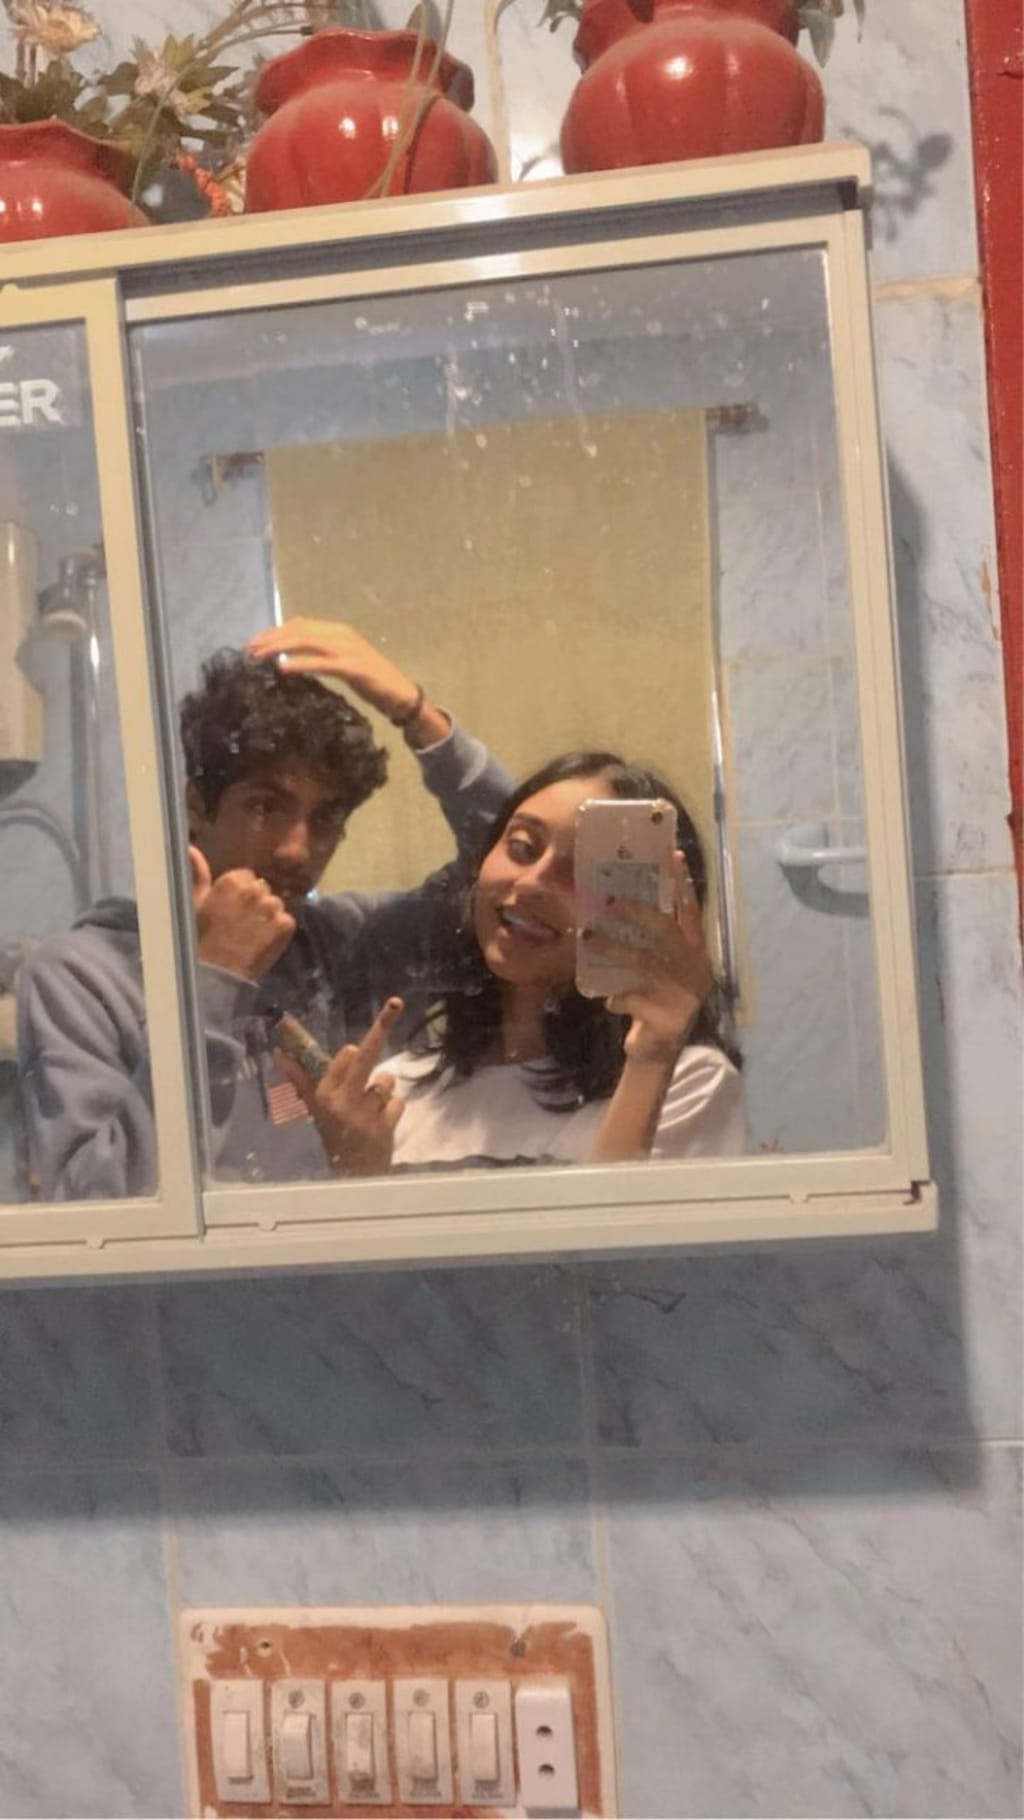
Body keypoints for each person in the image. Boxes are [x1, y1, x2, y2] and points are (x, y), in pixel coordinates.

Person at [17, 619, 512, 1198]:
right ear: (196, 807)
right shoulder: (84, 977)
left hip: (346, 1251)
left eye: (325, 819)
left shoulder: (345, 945)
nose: (296, 849)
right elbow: (97, 1204)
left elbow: (522, 878)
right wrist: (215, 979)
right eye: (265, 807)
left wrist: (417, 715)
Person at [284, 751, 745, 1176]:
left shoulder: (684, 1081)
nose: (531, 883)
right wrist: (358, 1170)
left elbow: (609, 1239)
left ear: (650, 907)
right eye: (523, 847)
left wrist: (652, 1054)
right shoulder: (396, 1091)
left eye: (580, 871)